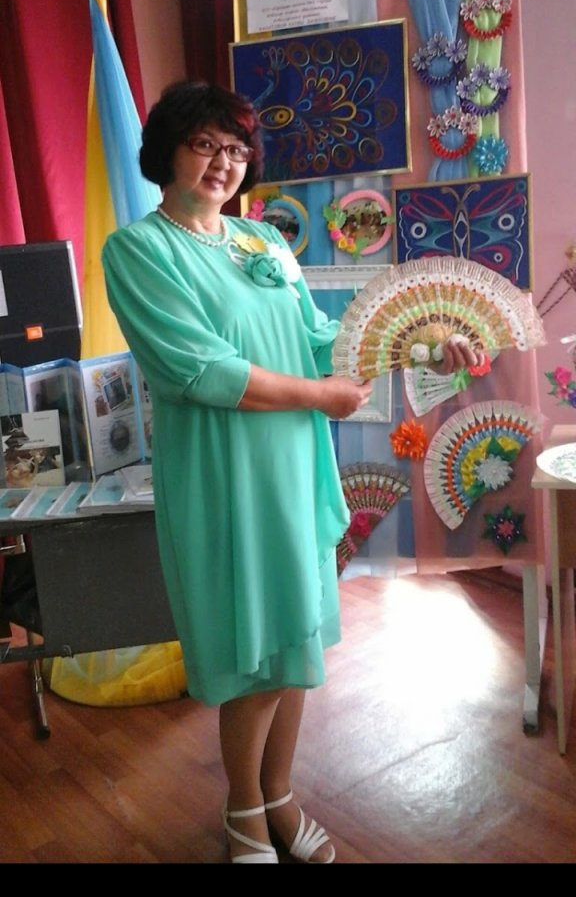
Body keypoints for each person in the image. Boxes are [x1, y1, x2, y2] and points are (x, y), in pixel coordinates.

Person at [101, 80, 479, 865]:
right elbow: (199, 370)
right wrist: (322, 396)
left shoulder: (263, 242)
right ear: (168, 150)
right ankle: (244, 808)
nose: (224, 162)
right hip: (223, 472)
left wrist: (422, 344)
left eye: (237, 149)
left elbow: (321, 338)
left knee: (297, 638)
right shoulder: (138, 250)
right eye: (205, 144)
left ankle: (277, 792)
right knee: (254, 648)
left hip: (294, 462)